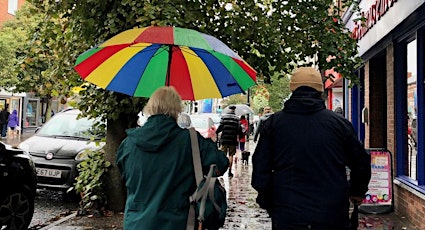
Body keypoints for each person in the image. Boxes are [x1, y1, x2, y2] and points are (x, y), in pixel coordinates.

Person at [251, 67, 371, 230]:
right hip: (331, 212)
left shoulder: (274, 124)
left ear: (292, 88)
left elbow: (260, 168)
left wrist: (269, 200)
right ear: (320, 89)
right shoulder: (338, 124)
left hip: (288, 212)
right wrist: (357, 191)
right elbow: (361, 162)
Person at [116, 86, 229, 230]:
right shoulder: (191, 141)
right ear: (177, 109)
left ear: (150, 108)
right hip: (177, 222)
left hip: (136, 223)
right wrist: (211, 144)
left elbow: (124, 175)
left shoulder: (128, 144)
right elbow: (222, 163)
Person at [216, 105, 243, 177]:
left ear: (228, 110)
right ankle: (230, 171)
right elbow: (239, 130)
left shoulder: (224, 118)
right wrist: (241, 136)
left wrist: (216, 133)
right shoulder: (237, 119)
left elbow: (220, 128)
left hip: (224, 139)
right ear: (234, 111)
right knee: (231, 155)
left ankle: (221, 171)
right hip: (233, 140)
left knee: (223, 155)